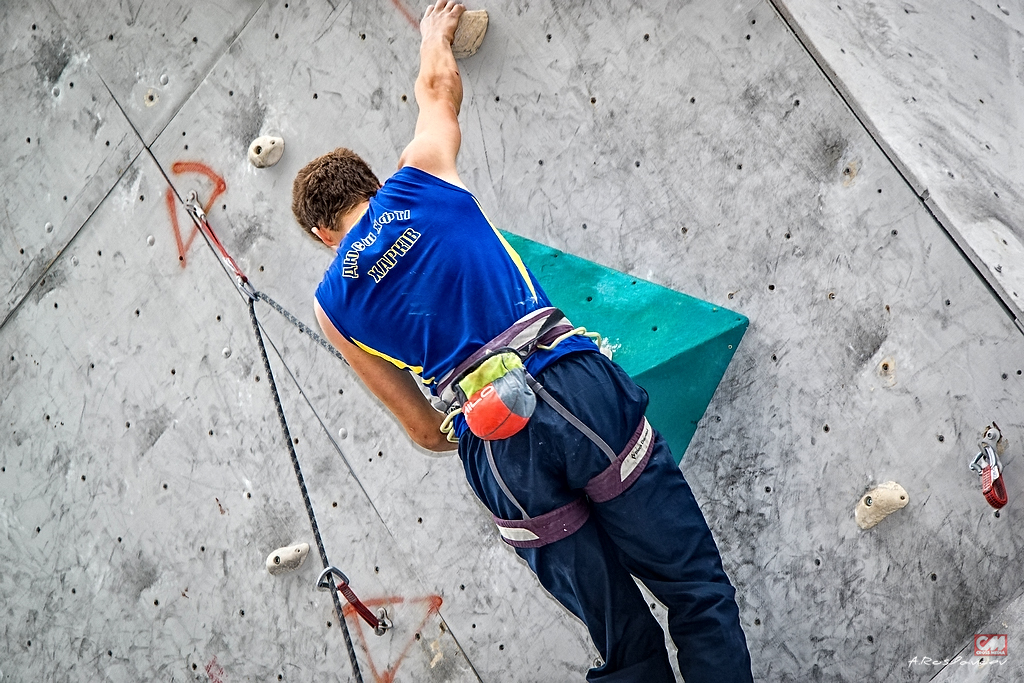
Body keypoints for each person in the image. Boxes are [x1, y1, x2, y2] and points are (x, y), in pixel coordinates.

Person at [292, 2, 753, 680]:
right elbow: (437, 90)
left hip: (497, 453)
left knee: (625, 647)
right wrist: (432, 34)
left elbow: (421, 429)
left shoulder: (332, 303)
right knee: (694, 589)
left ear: (323, 237)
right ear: (373, 183)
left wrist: (485, 427)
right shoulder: (418, 177)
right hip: (570, 388)